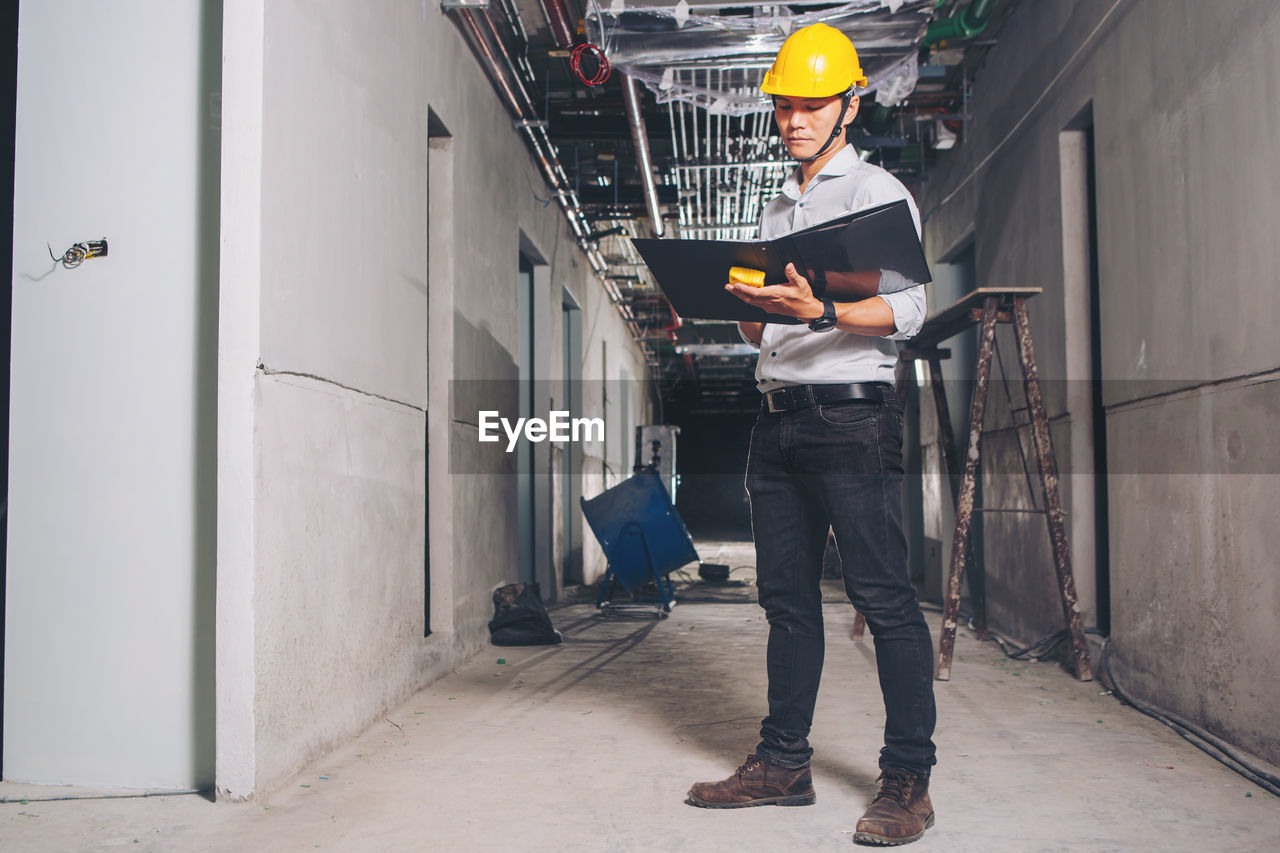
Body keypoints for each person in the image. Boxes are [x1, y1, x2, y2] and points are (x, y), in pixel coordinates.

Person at [685, 23, 938, 846]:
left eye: (812, 104)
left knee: (884, 600)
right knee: (787, 604)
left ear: (850, 105)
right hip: (779, 421)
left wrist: (822, 310)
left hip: (854, 418)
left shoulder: (877, 195)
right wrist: (747, 313)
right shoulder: (776, 207)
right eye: (785, 106)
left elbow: (906, 311)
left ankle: (907, 780)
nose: (795, 119)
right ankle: (783, 762)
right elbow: (774, 338)